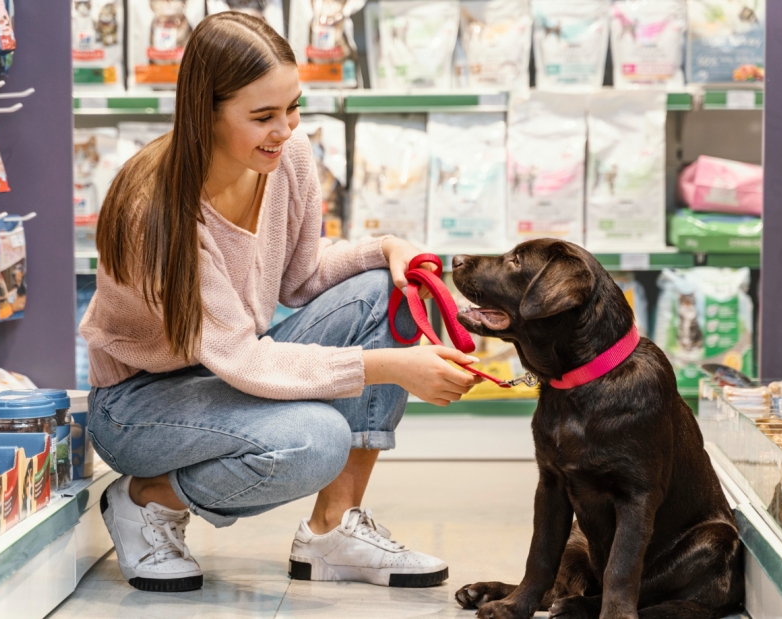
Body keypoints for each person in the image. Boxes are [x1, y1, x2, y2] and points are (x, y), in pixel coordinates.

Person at [80, 12, 483, 593]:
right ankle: (146, 499)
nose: (286, 129)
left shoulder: (285, 158)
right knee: (314, 439)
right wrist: (393, 368)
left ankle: (332, 530)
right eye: (263, 116)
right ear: (205, 112)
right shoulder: (158, 213)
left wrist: (387, 249)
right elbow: (243, 359)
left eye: (293, 107)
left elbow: (300, 278)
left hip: (229, 370)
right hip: (139, 405)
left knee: (388, 291)